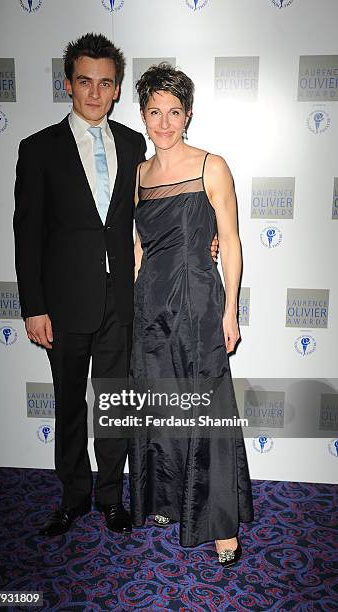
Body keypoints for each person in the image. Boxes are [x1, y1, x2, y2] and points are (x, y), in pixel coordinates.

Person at [13, 33, 147, 536]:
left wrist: (204, 241)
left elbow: (151, 212)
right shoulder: (38, 149)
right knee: (69, 403)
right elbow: (27, 234)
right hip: (65, 304)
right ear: (68, 83)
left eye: (105, 83)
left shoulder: (135, 144)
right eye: (85, 81)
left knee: (114, 404)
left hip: (121, 301)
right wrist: (33, 306)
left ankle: (112, 496)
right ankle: (74, 497)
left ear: (116, 89)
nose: (94, 92)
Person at [129, 63, 254, 567]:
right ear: (142, 115)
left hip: (199, 301)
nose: (163, 122)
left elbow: (233, 241)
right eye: (154, 112)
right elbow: (138, 246)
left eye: (173, 112)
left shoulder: (211, 166)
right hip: (149, 305)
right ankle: (165, 498)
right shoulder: (138, 174)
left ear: (188, 115)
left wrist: (231, 311)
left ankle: (221, 525)